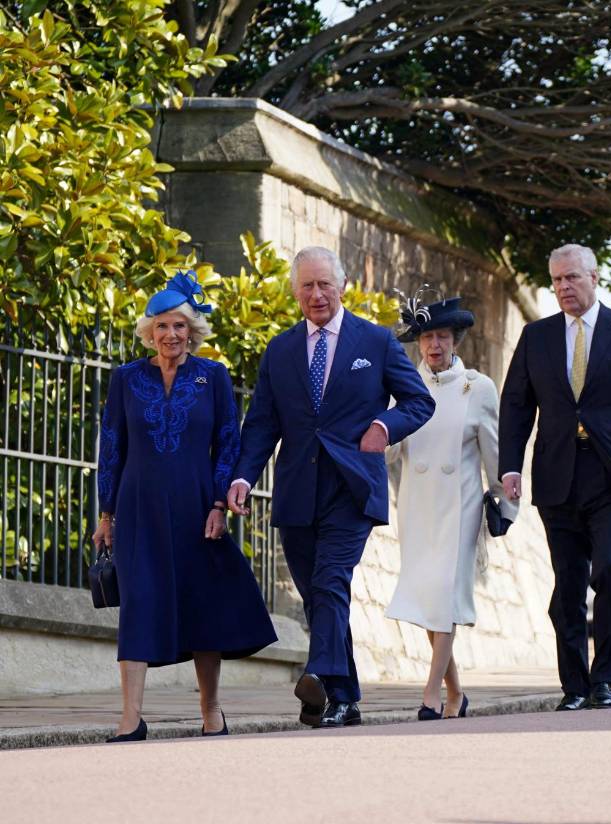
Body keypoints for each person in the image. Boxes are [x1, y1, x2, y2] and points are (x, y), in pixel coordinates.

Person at [227, 247, 435, 728]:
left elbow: (418, 401)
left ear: (341, 286)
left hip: (352, 487)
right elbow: (261, 425)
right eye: (307, 286)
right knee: (320, 597)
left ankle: (318, 675)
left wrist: (384, 425)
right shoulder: (280, 350)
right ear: (295, 290)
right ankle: (346, 698)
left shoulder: (376, 341)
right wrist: (242, 476)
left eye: (325, 284)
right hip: (298, 490)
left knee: (330, 581)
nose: (316, 294)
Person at [93, 272, 277, 742]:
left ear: (192, 330)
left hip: (197, 507)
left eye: (179, 326)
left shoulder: (212, 376)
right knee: (138, 604)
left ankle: (210, 709)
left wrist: (219, 502)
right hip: (138, 509)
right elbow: (112, 447)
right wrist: (106, 513)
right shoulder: (126, 379)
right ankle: (131, 718)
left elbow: (228, 441)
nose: (170, 335)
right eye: (162, 327)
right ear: (149, 333)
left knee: (203, 605)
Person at [499, 243, 611, 711]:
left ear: (595, 278)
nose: (563, 287)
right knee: (568, 583)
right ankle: (574, 685)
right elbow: (516, 404)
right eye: (555, 280)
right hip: (557, 474)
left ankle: (607, 678)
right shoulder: (537, 337)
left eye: (572, 278)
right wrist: (510, 466)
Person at [385, 294, 517, 720]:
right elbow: (389, 448)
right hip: (416, 505)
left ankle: (429, 695)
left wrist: (506, 503)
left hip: (459, 505)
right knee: (428, 600)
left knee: (444, 593)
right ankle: (456, 694)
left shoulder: (477, 388)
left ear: (456, 340)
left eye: (442, 336)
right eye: (427, 337)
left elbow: (494, 453)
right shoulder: (405, 386)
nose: (434, 345)